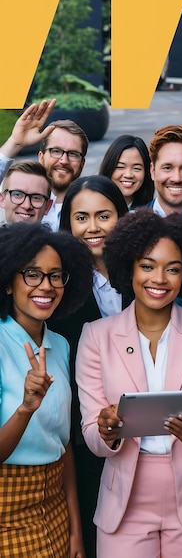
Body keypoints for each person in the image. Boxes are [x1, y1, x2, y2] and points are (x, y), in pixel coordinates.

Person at [76, 209, 182, 558]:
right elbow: (90, 432)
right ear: (128, 267)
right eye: (147, 266)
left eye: (173, 268)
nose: (159, 279)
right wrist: (105, 430)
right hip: (124, 502)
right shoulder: (96, 336)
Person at [0, 221, 93, 557]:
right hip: (6, 507)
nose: (47, 285)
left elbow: (63, 444)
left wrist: (75, 532)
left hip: (54, 505)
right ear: (8, 282)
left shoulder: (61, 346)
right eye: (32, 274)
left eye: (56, 275)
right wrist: (25, 409)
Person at [51, 175, 128, 558]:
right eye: (81, 217)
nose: (93, 227)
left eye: (104, 215)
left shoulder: (146, 273)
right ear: (69, 224)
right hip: (88, 435)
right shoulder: (59, 286)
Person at [0, 99, 89, 230]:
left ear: (82, 163)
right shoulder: (13, 192)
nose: (64, 160)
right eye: (56, 151)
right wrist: (14, 143)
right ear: (41, 157)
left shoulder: (93, 204)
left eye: (73, 154)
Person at [99, 134, 154, 209]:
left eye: (136, 168)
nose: (128, 175)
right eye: (120, 167)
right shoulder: (93, 207)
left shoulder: (152, 214)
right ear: (109, 168)